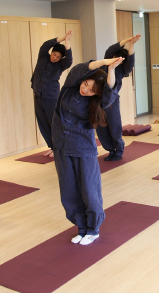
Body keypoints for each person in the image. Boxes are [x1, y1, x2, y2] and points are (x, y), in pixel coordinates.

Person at [52, 56, 124, 246]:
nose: (85, 90)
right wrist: (104, 62)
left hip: (83, 146)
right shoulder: (69, 87)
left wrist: (111, 71)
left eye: (92, 91)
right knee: (69, 189)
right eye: (85, 84)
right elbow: (79, 70)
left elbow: (109, 93)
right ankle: (81, 228)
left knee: (89, 189)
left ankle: (93, 229)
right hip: (61, 144)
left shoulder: (98, 101)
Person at [97, 35, 141, 161]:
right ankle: (110, 150)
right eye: (115, 57)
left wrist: (132, 45)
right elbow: (110, 49)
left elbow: (130, 61)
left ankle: (119, 150)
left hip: (111, 101)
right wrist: (126, 41)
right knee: (101, 127)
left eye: (120, 59)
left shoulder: (122, 70)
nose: (116, 60)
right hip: (98, 100)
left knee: (114, 125)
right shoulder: (105, 63)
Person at [31, 31, 73, 157]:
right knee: (42, 122)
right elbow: (45, 45)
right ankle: (52, 146)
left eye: (58, 57)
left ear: (61, 59)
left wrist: (68, 42)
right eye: (54, 55)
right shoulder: (43, 57)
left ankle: (58, 147)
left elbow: (69, 60)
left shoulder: (60, 65)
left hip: (51, 96)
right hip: (38, 94)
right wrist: (61, 38)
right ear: (52, 52)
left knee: (53, 122)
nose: (55, 58)